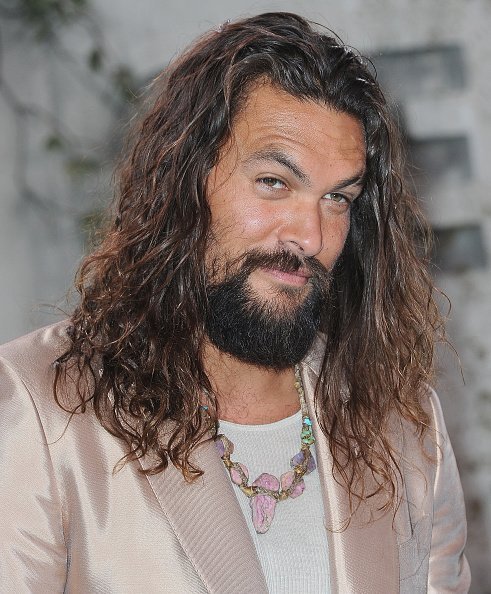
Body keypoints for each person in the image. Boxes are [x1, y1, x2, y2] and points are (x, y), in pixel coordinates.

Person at [0, 12, 470, 593]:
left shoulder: (402, 422)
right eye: (274, 182)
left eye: (337, 198)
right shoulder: (42, 405)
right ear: (187, 179)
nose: (311, 235)